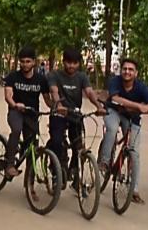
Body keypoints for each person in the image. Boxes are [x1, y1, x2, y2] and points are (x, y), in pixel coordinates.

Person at [98, 58, 148, 204]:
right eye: (125, 69)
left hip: (132, 118)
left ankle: (134, 189)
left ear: (136, 73)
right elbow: (116, 99)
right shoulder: (115, 81)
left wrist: (146, 107)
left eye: (131, 70)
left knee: (134, 153)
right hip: (114, 112)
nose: (127, 72)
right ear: (121, 70)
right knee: (111, 129)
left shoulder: (141, 87)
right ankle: (105, 162)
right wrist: (138, 106)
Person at [46, 48, 105, 191]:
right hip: (59, 114)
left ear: (79, 64)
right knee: (57, 142)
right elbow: (54, 91)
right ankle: (56, 173)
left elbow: (89, 92)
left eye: (74, 63)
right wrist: (58, 105)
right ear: (63, 62)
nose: (71, 66)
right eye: (68, 62)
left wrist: (99, 106)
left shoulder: (82, 77)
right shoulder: (54, 75)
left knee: (79, 147)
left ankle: (74, 173)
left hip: (75, 114)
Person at [3, 47, 52, 177]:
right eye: (22, 61)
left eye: (28, 61)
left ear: (34, 62)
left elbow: (47, 99)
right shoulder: (13, 77)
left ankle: (29, 186)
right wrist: (15, 105)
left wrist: (56, 108)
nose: (25, 64)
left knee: (32, 148)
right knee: (17, 129)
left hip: (32, 114)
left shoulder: (41, 79)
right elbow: (8, 96)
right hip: (16, 112)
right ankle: (9, 164)